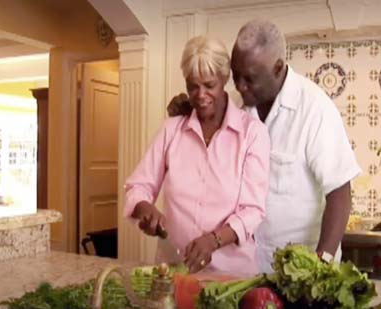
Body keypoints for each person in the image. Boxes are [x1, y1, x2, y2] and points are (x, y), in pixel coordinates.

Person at [168, 20, 361, 273]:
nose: (240, 86)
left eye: (249, 79)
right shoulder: (237, 104)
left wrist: (320, 264)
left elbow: (340, 194)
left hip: (301, 271)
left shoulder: (315, 109)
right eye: (235, 76)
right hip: (246, 266)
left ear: (278, 69)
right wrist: (190, 110)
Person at [124, 35, 270, 274]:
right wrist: (144, 208)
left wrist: (212, 241)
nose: (200, 95)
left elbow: (253, 211)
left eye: (209, 85)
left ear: (224, 79)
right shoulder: (171, 130)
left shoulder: (252, 134)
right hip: (173, 270)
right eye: (193, 86)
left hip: (231, 275)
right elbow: (138, 185)